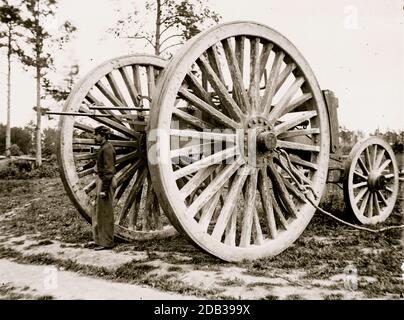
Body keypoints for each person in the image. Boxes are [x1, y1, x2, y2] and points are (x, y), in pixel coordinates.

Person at [93, 125, 117, 250]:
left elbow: (109, 171)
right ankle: (101, 241)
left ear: (103, 135)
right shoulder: (104, 147)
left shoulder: (107, 148)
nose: (94, 136)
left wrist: (103, 190)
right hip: (103, 181)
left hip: (106, 182)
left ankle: (107, 243)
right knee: (100, 212)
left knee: (106, 213)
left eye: (96, 134)